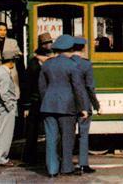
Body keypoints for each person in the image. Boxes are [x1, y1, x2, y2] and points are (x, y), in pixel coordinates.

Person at [39, 34, 89, 177]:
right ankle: (67, 168)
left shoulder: (47, 64)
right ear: (70, 49)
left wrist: (46, 102)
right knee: (67, 138)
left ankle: (52, 169)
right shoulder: (72, 65)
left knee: (51, 138)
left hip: (48, 106)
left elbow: (42, 87)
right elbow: (78, 89)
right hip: (67, 107)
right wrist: (82, 108)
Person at [22, 33, 54, 165]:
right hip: (35, 100)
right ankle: (30, 157)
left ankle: (48, 157)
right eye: (45, 43)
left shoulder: (51, 60)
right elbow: (27, 84)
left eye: (49, 42)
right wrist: (26, 105)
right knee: (32, 131)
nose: (48, 45)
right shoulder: (34, 63)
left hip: (47, 99)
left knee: (49, 129)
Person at [71, 37, 101, 174]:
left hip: (69, 103)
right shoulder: (86, 64)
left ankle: (65, 162)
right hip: (83, 103)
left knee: (67, 134)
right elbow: (90, 87)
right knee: (83, 134)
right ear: (83, 48)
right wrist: (96, 105)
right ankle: (83, 163)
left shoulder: (67, 63)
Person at [0, 49, 20, 167]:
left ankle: (0, 157)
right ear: (11, 61)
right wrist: (10, 107)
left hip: (0, 107)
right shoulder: (4, 74)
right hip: (6, 109)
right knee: (6, 135)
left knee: (1, 133)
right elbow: (4, 94)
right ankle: (2, 158)